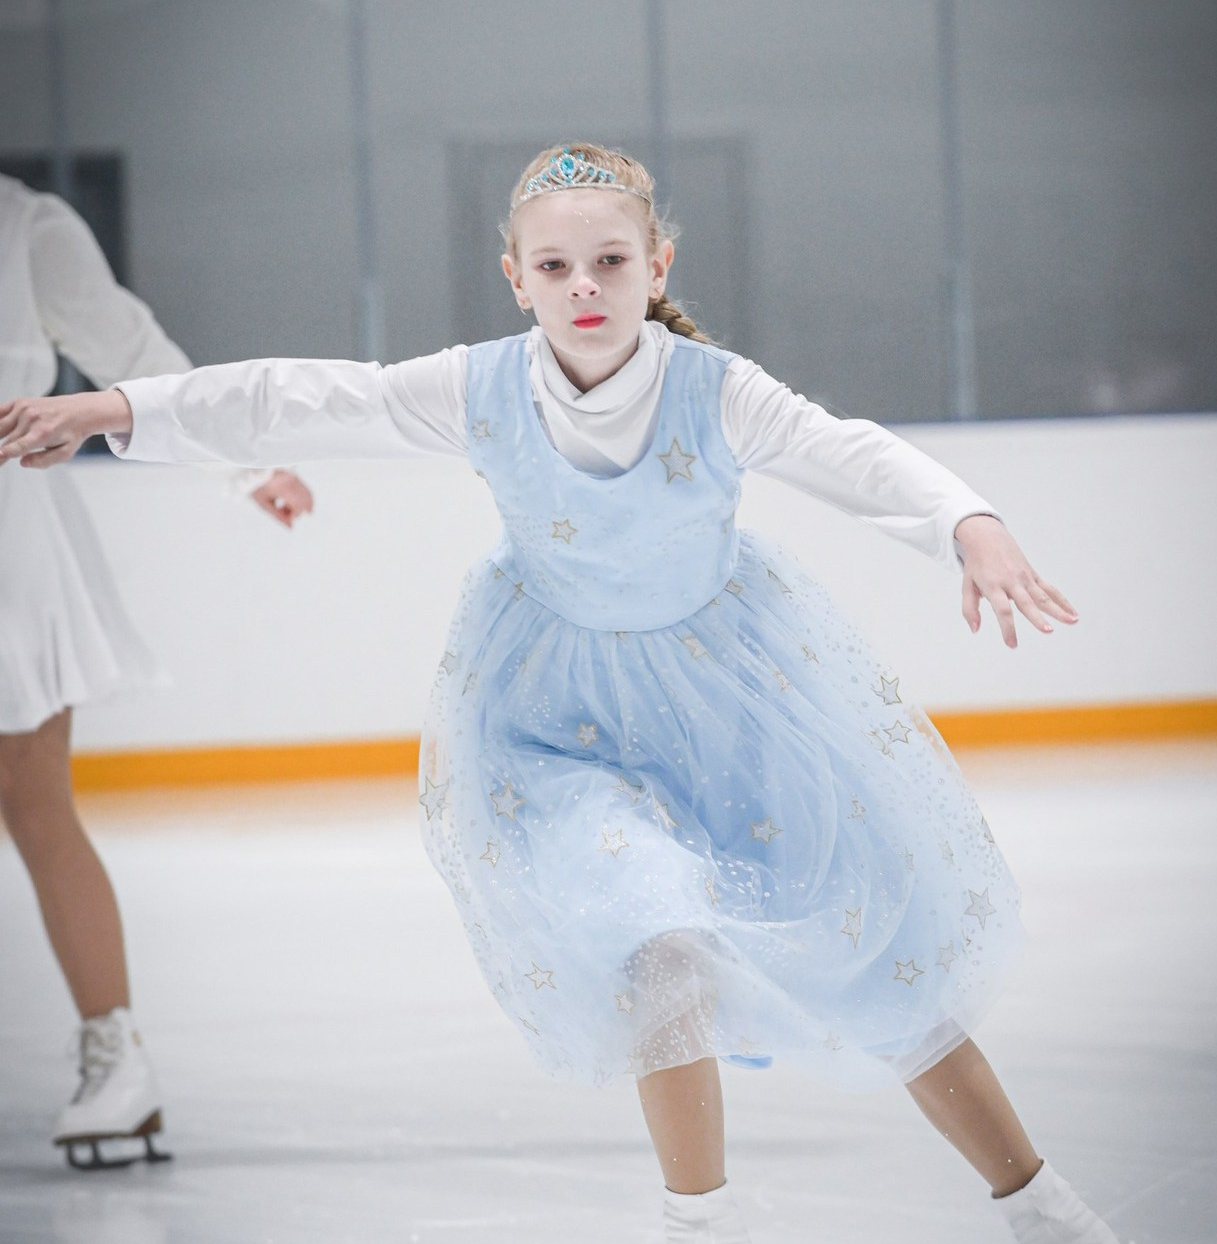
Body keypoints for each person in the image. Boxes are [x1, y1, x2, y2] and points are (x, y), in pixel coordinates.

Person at [0, 143, 1118, 1241]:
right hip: (553, 717)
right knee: (652, 935)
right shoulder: (478, 385)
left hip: (732, 703)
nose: (582, 288)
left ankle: (1036, 1201)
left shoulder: (718, 393)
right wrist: (109, 410)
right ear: (515, 276)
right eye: (553, 268)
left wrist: (969, 523)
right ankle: (699, 1221)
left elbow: (854, 454)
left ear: (657, 266)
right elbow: (301, 397)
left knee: (878, 960)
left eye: (610, 263)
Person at [0, 174, 314, 1170]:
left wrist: (240, 465)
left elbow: (137, 357)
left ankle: (116, 1055)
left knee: (32, 798)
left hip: (9, 543)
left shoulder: (22, 224)